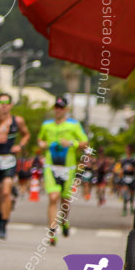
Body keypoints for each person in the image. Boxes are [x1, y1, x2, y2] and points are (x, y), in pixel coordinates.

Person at [37, 96, 89, 247]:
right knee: (53, 197)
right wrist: (42, 144)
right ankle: (52, 232)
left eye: (61, 107)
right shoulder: (47, 125)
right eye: (56, 107)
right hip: (51, 166)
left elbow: (85, 143)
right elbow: (40, 140)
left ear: (66, 109)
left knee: (65, 200)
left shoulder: (74, 125)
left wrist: (71, 143)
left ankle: (64, 221)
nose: (58, 110)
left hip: (68, 168)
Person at [0, 91, 30, 239]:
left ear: (11, 105)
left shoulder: (17, 120)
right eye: (1, 103)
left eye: (6, 103)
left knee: (6, 191)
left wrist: (20, 146)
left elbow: (26, 134)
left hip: (9, 159)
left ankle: (3, 224)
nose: (3, 106)